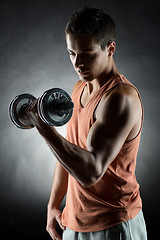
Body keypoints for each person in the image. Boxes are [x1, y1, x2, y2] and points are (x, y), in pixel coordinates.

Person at [26, 7, 148, 240]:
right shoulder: (79, 88)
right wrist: (53, 205)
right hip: (74, 222)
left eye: (87, 54)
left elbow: (91, 171)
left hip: (114, 224)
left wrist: (44, 128)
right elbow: (69, 152)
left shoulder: (120, 98)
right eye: (72, 53)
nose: (77, 63)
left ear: (110, 48)